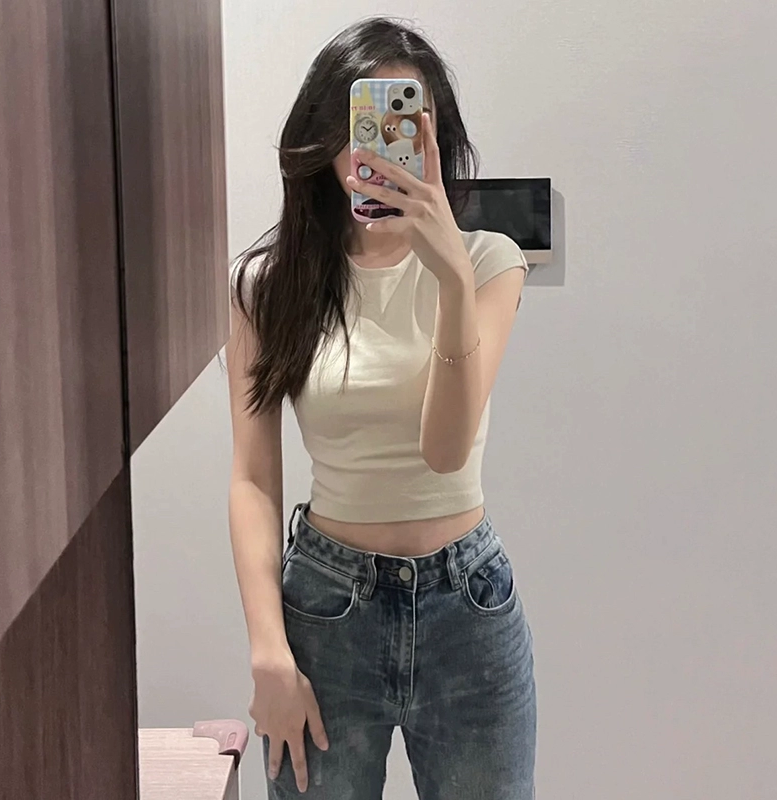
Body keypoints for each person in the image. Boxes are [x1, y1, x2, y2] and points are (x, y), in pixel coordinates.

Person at [226, 17, 535, 800]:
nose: (381, 147)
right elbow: (253, 479)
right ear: (325, 135)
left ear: (436, 138)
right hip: (327, 610)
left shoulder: (489, 263)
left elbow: (445, 453)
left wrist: (452, 281)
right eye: (366, 120)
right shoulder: (267, 286)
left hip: (468, 606)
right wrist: (268, 652)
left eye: (405, 122)